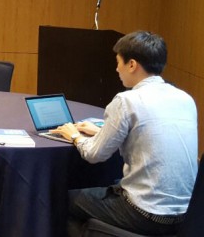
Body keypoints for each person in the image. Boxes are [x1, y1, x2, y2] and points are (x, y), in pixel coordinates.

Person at [51, 31, 198, 236]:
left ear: (132, 65)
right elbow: (150, 136)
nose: (116, 69)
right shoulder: (185, 99)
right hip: (187, 214)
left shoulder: (127, 100)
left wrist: (74, 136)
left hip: (145, 212)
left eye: (118, 62)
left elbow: (94, 155)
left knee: (60, 200)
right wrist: (101, 131)